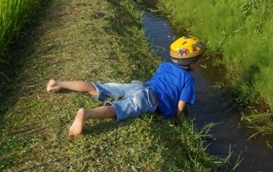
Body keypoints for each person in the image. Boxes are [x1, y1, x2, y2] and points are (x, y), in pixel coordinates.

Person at [47, 35, 206, 136]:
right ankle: (86, 114)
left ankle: (58, 83)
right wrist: (183, 120)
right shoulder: (188, 80)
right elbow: (179, 109)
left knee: (98, 87)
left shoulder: (164, 65)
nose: (198, 64)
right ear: (191, 62)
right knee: (118, 109)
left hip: (138, 87)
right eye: (198, 61)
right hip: (148, 99)